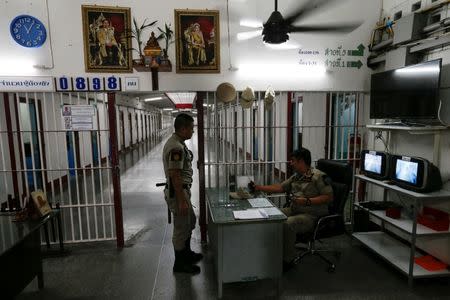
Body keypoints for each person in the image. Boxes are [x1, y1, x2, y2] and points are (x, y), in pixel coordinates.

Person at [249, 148, 333, 271]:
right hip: (295, 209)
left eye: (293, 161)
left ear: (301, 162)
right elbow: (280, 187)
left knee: (287, 224)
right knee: (271, 217)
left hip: (312, 215)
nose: (291, 163)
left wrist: (307, 201)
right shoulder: (296, 176)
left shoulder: (318, 177)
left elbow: (329, 197)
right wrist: (259, 187)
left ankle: (287, 261)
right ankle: (272, 252)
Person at [162, 113, 203, 274]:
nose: (193, 132)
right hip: (177, 192)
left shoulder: (179, 143)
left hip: (182, 190)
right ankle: (179, 264)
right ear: (183, 128)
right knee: (181, 228)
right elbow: (175, 175)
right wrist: (181, 200)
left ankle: (186, 253)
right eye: (191, 128)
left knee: (190, 221)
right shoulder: (175, 147)